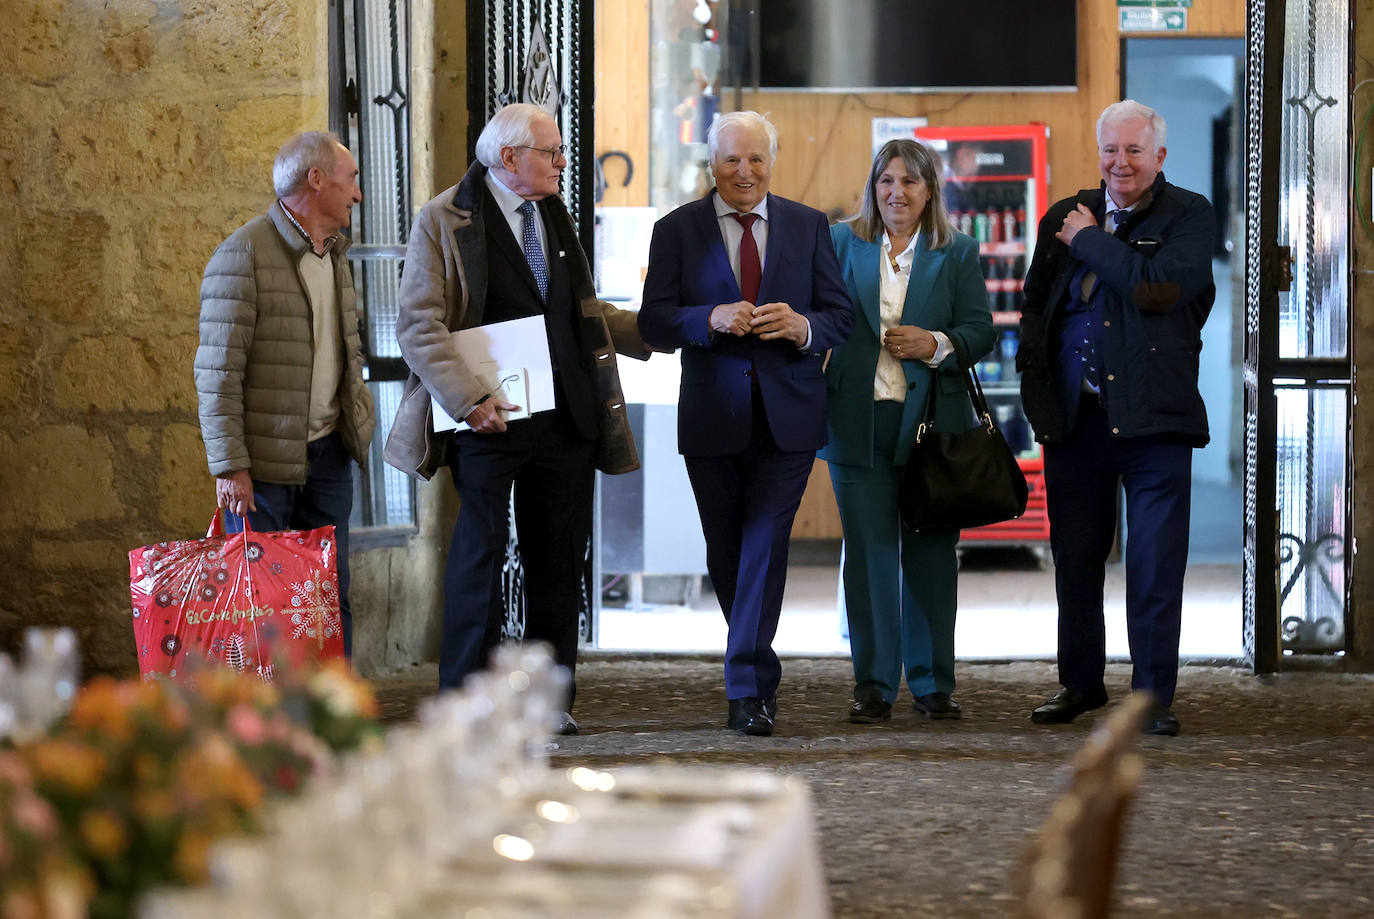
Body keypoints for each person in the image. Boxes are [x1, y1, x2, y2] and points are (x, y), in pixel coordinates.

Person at [385, 103, 651, 735]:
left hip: (565, 422)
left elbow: (578, 310)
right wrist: (467, 399)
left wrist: (660, 328)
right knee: (480, 553)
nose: (563, 162)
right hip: (486, 421)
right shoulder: (443, 218)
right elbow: (419, 327)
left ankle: (547, 700)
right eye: (551, 151)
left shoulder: (555, 213)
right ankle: (463, 703)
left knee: (558, 562)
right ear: (508, 158)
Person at [638, 110, 854, 736]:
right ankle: (755, 666)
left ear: (771, 162)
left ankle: (747, 687)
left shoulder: (810, 227)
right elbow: (654, 322)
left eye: (756, 158)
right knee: (729, 553)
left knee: (765, 541)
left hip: (789, 418)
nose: (745, 171)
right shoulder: (676, 230)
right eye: (732, 159)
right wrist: (708, 319)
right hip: (712, 416)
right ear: (712, 165)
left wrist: (804, 327)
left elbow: (840, 317)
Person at [1017, 100, 1215, 736]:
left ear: (1159, 156)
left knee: (1154, 565)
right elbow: (1034, 306)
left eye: (1134, 150)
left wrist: (1090, 240)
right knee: (1076, 562)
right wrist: (1034, 379)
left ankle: (1151, 698)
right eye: (1110, 150)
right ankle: (1080, 686)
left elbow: (1156, 287)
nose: (1120, 163)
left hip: (1156, 421)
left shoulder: (1190, 215)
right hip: (1078, 421)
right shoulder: (1062, 217)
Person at [823, 139, 995, 724]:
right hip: (856, 422)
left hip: (932, 429)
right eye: (886, 181)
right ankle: (873, 685)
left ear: (930, 192)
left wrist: (937, 344)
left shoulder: (959, 250)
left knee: (930, 557)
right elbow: (819, 316)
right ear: (874, 187)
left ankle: (931, 684)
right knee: (869, 559)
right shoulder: (842, 242)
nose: (897, 193)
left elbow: (980, 330)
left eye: (910, 183)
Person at [196, 131, 376, 658]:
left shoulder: (334, 254)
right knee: (259, 606)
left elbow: (347, 349)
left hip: (328, 457)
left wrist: (354, 419)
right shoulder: (243, 254)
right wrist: (230, 467)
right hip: (264, 470)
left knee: (326, 597)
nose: (358, 195)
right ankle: (262, 730)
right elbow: (217, 373)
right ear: (315, 179)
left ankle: (332, 722)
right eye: (352, 180)